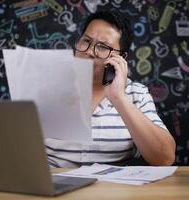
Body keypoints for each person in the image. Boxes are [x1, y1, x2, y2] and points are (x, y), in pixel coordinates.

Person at [45, 11, 176, 167]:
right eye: (86, 40)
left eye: (102, 47)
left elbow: (164, 158)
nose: (89, 51)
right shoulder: (47, 88)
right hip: (53, 186)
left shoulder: (136, 94)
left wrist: (118, 98)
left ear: (121, 58)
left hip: (111, 188)